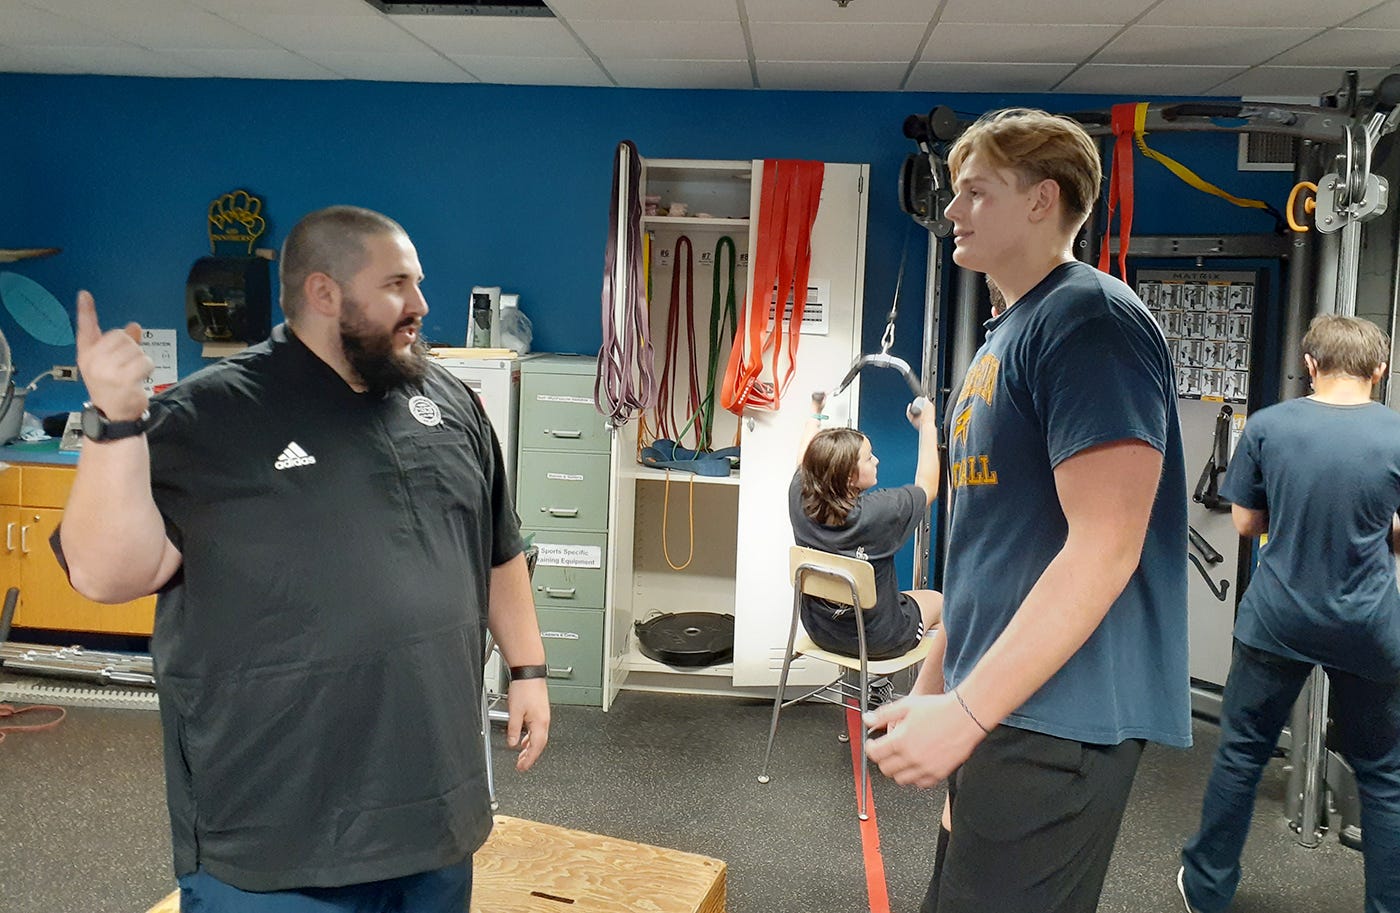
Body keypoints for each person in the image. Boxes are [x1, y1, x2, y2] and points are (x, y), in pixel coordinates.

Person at [56, 205, 551, 913]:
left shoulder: (446, 399)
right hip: (278, 840)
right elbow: (106, 575)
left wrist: (528, 668)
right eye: (397, 285)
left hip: (433, 819)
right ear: (324, 293)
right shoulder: (207, 417)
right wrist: (115, 422)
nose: (421, 305)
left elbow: (496, 545)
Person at [864, 107, 1190, 913]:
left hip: (1060, 720)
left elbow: (1104, 548)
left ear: (1043, 201)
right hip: (1003, 704)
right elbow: (986, 549)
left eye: (976, 191)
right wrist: (941, 687)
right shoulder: (1004, 335)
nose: (951, 209)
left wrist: (967, 709)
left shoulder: (1091, 322)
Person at [1178, 314, 1400, 913]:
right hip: (1369, 626)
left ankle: (1206, 889)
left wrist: (1302, 518)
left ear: (1311, 365)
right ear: (1378, 370)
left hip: (1279, 620)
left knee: (1243, 753)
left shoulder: (1270, 426)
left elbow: (1247, 524)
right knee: (1384, 776)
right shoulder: (1397, 433)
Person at [789, 393, 943, 673]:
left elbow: (804, 458)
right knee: (940, 602)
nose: (877, 461)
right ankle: (927, 703)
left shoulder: (800, 496)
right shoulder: (879, 512)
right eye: (869, 457)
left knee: (895, 599)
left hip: (821, 632)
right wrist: (928, 424)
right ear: (849, 476)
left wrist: (816, 412)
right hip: (879, 641)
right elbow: (928, 486)